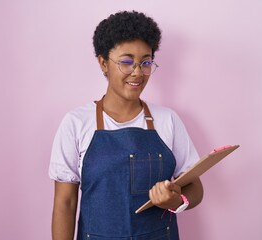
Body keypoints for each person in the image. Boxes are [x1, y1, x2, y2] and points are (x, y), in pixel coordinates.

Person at [49, 10, 203, 240]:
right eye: (127, 62)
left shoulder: (167, 120)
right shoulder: (76, 123)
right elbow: (65, 203)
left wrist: (175, 200)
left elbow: (196, 189)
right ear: (103, 63)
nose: (137, 72)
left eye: (146, 62)